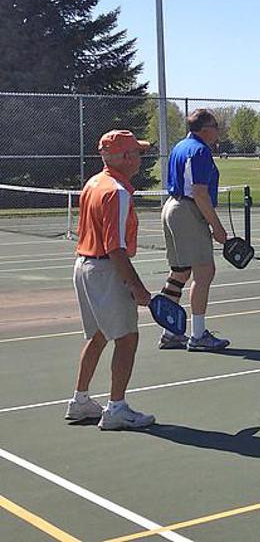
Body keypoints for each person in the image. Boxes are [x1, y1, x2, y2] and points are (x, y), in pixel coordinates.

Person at [65, 130, 156, 430]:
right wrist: (137, 287)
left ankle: (80, 401)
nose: (140, 158)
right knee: (127, 338)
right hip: (105, 269)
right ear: (126, 156)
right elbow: (115, 247)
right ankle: (116, 408)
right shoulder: (117, 191)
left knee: (98, 335)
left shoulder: (94, 183)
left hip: (84, 265)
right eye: (137, 153)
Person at [158, 108, 231, 351]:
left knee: (180, 273)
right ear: (205, 129)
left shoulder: (180, 147)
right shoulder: (200, 151)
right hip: (187, 210)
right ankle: (198, 335)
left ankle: (170, 331)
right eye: (215, 126)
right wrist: (217, 227)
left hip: (172, 207)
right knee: (204, 272)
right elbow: (199, 193)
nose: (218, 131)